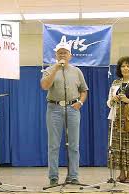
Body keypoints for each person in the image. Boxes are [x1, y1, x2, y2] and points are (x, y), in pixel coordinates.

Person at [41, 42, 88, 185]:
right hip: (54, 109)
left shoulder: (77, 71)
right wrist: (55, 68)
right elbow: (44, 86)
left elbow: (84, 90)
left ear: (70, 55)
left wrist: (80, 103)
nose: (62, 55)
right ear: (56, 55)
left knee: (74, 145)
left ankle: (73, 176)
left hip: (73, 109)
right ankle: (53, 177)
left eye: (65, 52)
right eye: (60, 52)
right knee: (53, 145)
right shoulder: (49, 70)